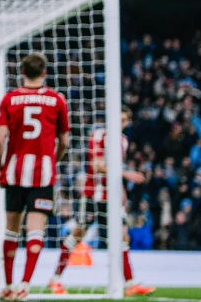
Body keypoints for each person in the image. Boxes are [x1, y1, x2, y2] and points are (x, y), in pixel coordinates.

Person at [48, 107, 155, 297]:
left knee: (123, 237)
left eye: (124, 120)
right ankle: (55, 279)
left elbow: (115, 168)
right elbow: (97, 166)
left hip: (111, 197)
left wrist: (121, 189)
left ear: (127, 123)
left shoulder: (123, 141)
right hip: (92, 196)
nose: (120, 123)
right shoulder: (99, 135)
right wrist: (126, 175)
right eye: (118, 119)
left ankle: (130, 284)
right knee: (78, 235)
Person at [0, 53, 70, 301]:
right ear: (44, 73)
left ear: (22, 72)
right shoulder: (57, 99)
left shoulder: (10, 99)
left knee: (11, 231)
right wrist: (53, 160)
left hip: (15, 173)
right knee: (36, 232)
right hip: (43, 175)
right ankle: (25, 285)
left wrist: (0, 166)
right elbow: (65, 141)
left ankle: (7, 285)